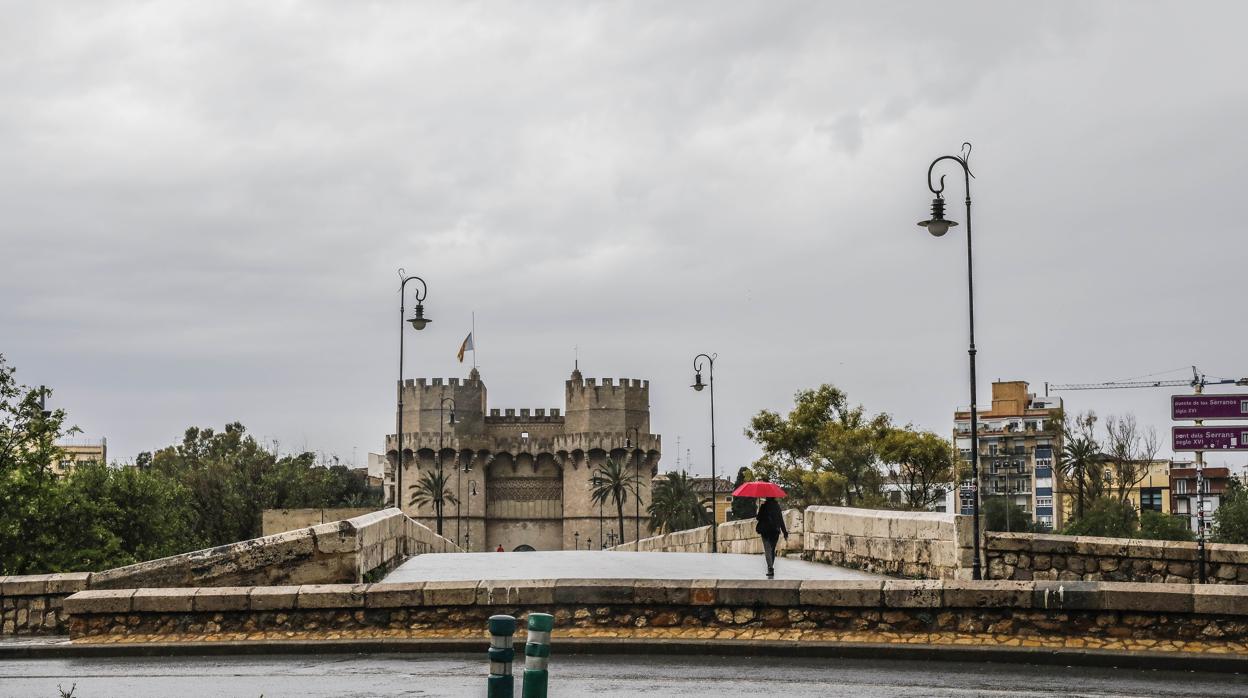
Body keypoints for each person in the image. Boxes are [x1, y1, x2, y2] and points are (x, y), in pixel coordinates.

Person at [754, 497, 788, 578]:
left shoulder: (763, 506)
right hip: (775, 531)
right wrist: (785, 532)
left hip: (765, 531)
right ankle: (771, 567)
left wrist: (760, 510)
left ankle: (770, 568)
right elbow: (781, 520)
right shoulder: (777, 507)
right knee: (772, 550)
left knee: (767, 549)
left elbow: (758, 518)